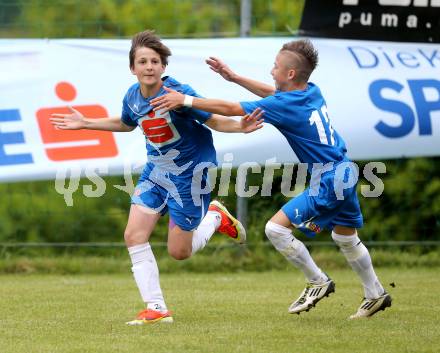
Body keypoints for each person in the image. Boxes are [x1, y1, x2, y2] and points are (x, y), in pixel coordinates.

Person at [150, 39, 392, 319]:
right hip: (345, 171)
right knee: (345, 237)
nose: (271, 71)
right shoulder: (310, 91)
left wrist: (185, 100)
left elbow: (230, 109)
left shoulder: (286, 103)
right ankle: (375, 294)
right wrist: (235, 77)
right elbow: (273, 96)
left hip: (329, 178)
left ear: (290, 74)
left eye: (276, 67)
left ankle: (318, 281)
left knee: (275, 230)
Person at [50, 30, 263, 325]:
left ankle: (214, 216)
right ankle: (156, 308)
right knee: (133, 235)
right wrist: (86, 123)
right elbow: (126, 124)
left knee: (179, 252)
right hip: (157, 171)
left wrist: (240, 127)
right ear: (132, 67)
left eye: (154, 61)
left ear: (163, 67)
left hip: (190, 174)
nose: (149, 66)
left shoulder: (177, 93)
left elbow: (213, 119)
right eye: (142, 61)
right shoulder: (132, 96)